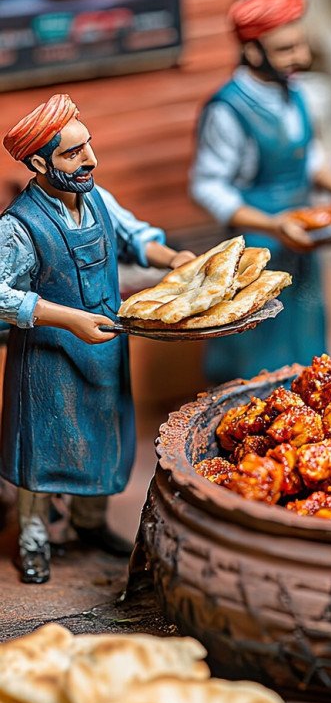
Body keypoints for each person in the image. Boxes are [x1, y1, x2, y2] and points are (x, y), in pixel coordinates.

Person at [0, 94, 194, 584]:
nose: (91, 160)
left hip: (105, 347)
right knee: (43, 451)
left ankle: (89, 522)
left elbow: (133, 237)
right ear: (40, 163)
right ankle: (33, 537)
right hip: (48, 357)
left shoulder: (98, 199)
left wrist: (172, 258)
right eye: (73, 153)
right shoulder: (19, 226)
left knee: (104, 439)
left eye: (88, 146)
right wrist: (67, 319)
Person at [190, 0, 331, 383]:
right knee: (259, 339)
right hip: (257, 249)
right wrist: (273, 226)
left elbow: (307, 156)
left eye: (301, 44)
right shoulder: (228, 110)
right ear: (253, 51)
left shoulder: (296, 93)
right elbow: (209, 186)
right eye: (286, 49)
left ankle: (307, 396)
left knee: (305, 326)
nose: (302, 57)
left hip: (301, 238)